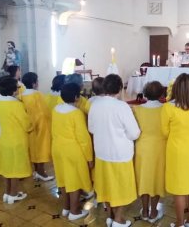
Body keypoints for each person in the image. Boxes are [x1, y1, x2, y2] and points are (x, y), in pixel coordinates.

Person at [88, 74, 140, 227]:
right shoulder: (121, 106)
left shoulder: (95, 104)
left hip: (102, 153)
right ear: (119, 88)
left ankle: (110, 216)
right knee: (121, 188)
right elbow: (134, 133)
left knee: (107, 186)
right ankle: (118, 219)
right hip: (119, 154)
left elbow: (91, 128)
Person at [161, 73, 189, 227]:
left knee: (179, 190)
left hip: (176, 152)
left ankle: (180, 223)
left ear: (176, 88)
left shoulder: (168, 107)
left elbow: (164, 132)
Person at [52, 83, 93, 221]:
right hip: (72, 150)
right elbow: (83, 139)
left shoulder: (56, 109)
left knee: (63, 179)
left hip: (57, 148)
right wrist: (89, 157)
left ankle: (66, 207)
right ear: (77, 97)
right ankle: (74, 212)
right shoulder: (76, 113)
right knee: (74, 180)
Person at [0, 75, 32, 204]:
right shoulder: (16, 105)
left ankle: (7, 192)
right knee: (15, 169)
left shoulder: (0, 102)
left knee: (7, 168)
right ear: (13, 90)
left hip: (4, 140)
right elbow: (27, 124)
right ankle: (13, 194)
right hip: (16, 141)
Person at [133, 81, 166, 223]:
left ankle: (145, 210)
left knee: (144, 179)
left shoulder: (137, 109)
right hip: (159, 149)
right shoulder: (165, 109)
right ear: (161, 94)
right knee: (156, 179)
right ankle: (153, 212)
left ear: (145, 93)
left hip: (142, 148)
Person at [21, 72, 54, 181]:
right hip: (41, 126)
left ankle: (36, 171)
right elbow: (44, 111)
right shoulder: (37, 95)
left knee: (34, 149)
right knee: (41, 150)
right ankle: (41, 172)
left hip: (29, 126)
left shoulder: (22, 95)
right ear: (34, 83)